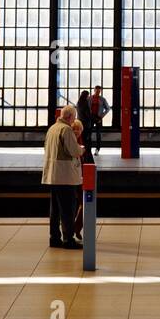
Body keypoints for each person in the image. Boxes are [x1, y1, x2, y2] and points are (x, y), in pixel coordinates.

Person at [42, 104, 83, 250]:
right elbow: (73, 150)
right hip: (65, 176)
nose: (74, 120)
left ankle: (54, 238)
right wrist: (81, 150)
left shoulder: (52, 128)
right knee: (67, 209)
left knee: (55, 209)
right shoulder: (66, 129)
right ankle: (68, 239)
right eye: (74, 117)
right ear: (70, 116)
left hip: (53, 175)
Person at [90, 85, 111, 150]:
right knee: (89, 132)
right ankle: (89, 148)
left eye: (99, 91)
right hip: (91, 117)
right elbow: (87, 108)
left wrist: (102, 115)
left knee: (98, 134)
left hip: (98, 117)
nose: (98, 92)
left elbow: (108, 108)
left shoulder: (102, 99)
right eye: (97, 91)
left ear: (100, 91)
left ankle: (97, 148)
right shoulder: (89, 98)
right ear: (94, 90)